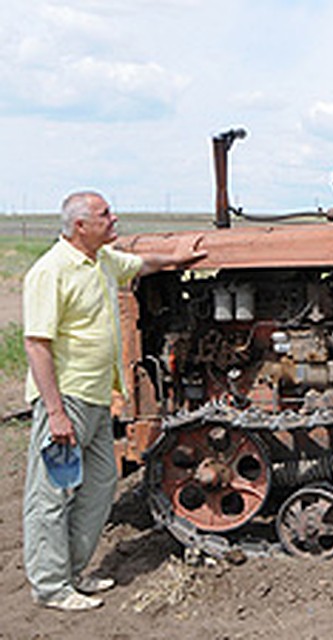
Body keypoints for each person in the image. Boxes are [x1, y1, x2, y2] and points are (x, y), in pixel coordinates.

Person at [22, 190, 207, 611]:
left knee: (101, 484)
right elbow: (36, 345)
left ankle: (72, 572)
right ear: (80, 226)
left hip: (97, 397)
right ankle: (51, 587)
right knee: (50, 495)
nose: (114, 217)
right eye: (105, 213)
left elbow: (141, 263)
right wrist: (54, 412)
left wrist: (178, 256)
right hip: (65, 400)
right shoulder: (51, 271)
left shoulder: (102, 260)